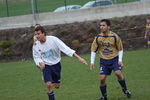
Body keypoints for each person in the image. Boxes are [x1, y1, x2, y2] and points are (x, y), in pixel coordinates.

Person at [32, 26, 87, 100]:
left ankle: (54, 83)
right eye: (35, 34)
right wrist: (40, 63)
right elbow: (36, 57)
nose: (37, 36)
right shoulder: (35, 45)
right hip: (46, 66)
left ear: (44, 33)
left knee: (57, 86)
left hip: (56, 64)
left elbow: (65, 48)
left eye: (38, 34)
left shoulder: (53, 39)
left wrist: (79, 58)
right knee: (48, 85)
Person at [90, 19, 131, 100]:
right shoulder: (98, 38)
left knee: (118, 73)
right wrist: (92, 62)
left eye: (103, 25)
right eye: (100, 25)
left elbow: (120, 49)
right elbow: (93, 50)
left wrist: (120, 60)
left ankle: (125, 89)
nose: (101, 27)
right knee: (102, 79)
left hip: (114, 59)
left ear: (108, 26)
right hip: (103, 61)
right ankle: (104, 96)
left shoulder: (114, 37)